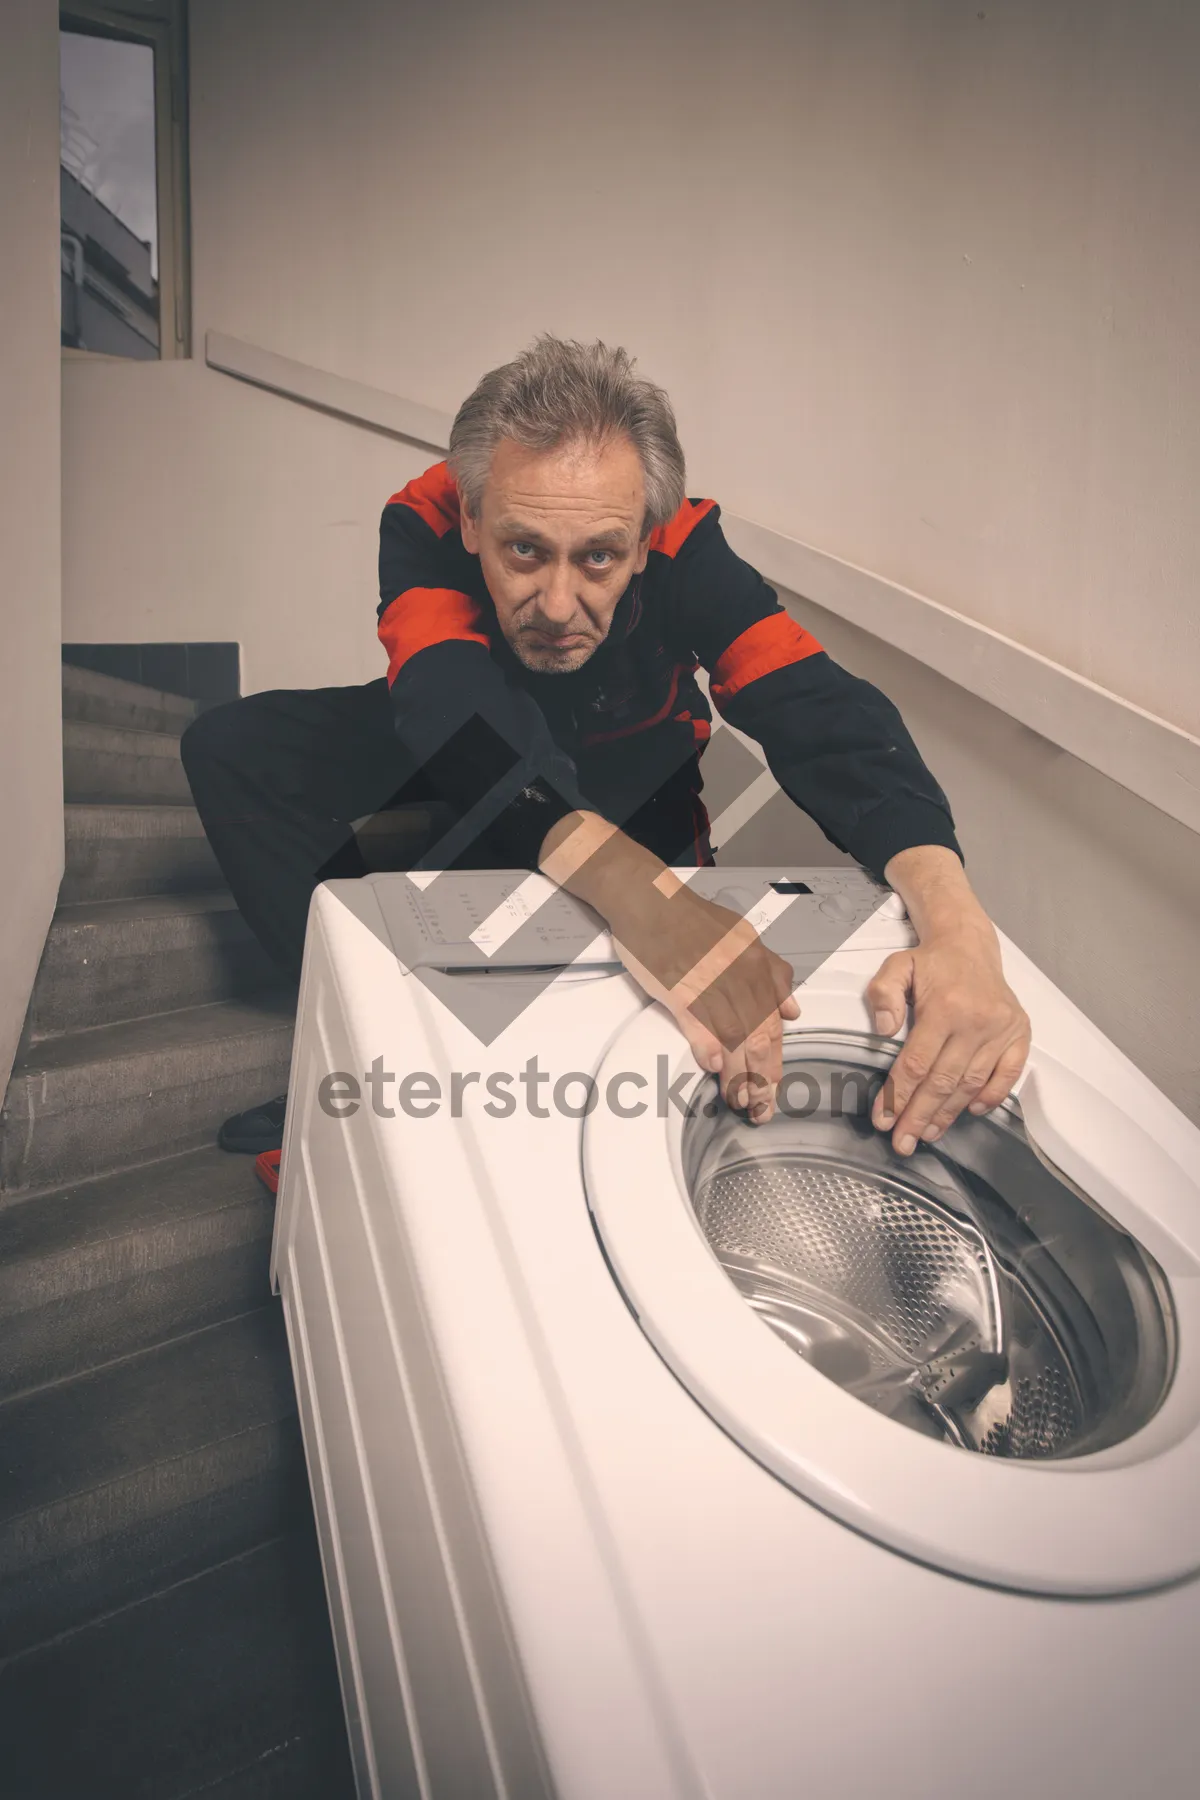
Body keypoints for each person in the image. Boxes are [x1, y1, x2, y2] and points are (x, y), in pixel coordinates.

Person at [182, 334, 1029, 1165]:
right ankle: (355, 1042)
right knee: (231, 746)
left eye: (598, 558)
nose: (557, 604)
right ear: (472, 519)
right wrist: (641, 904)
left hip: (635, 780)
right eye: (524, 551)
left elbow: (817, 709)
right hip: (478, 748)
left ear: (645, 537)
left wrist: (959, 925)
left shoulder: (686, 544)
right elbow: (450, 705)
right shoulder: (425, 517)